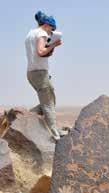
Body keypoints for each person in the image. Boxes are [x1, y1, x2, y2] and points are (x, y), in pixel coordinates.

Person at [25, 11, 65, 140]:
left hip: (32, 72)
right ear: (47, 25)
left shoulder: (30, 34)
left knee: (49, 99)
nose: (50, 33)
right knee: (48, 103)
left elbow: (38, 54)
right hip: (40, 73)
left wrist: (50, 48)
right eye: (51, 30)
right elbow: (41, 51)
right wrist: (53, 44)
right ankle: (55, 133)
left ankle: (25, 116)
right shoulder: (42, 33)